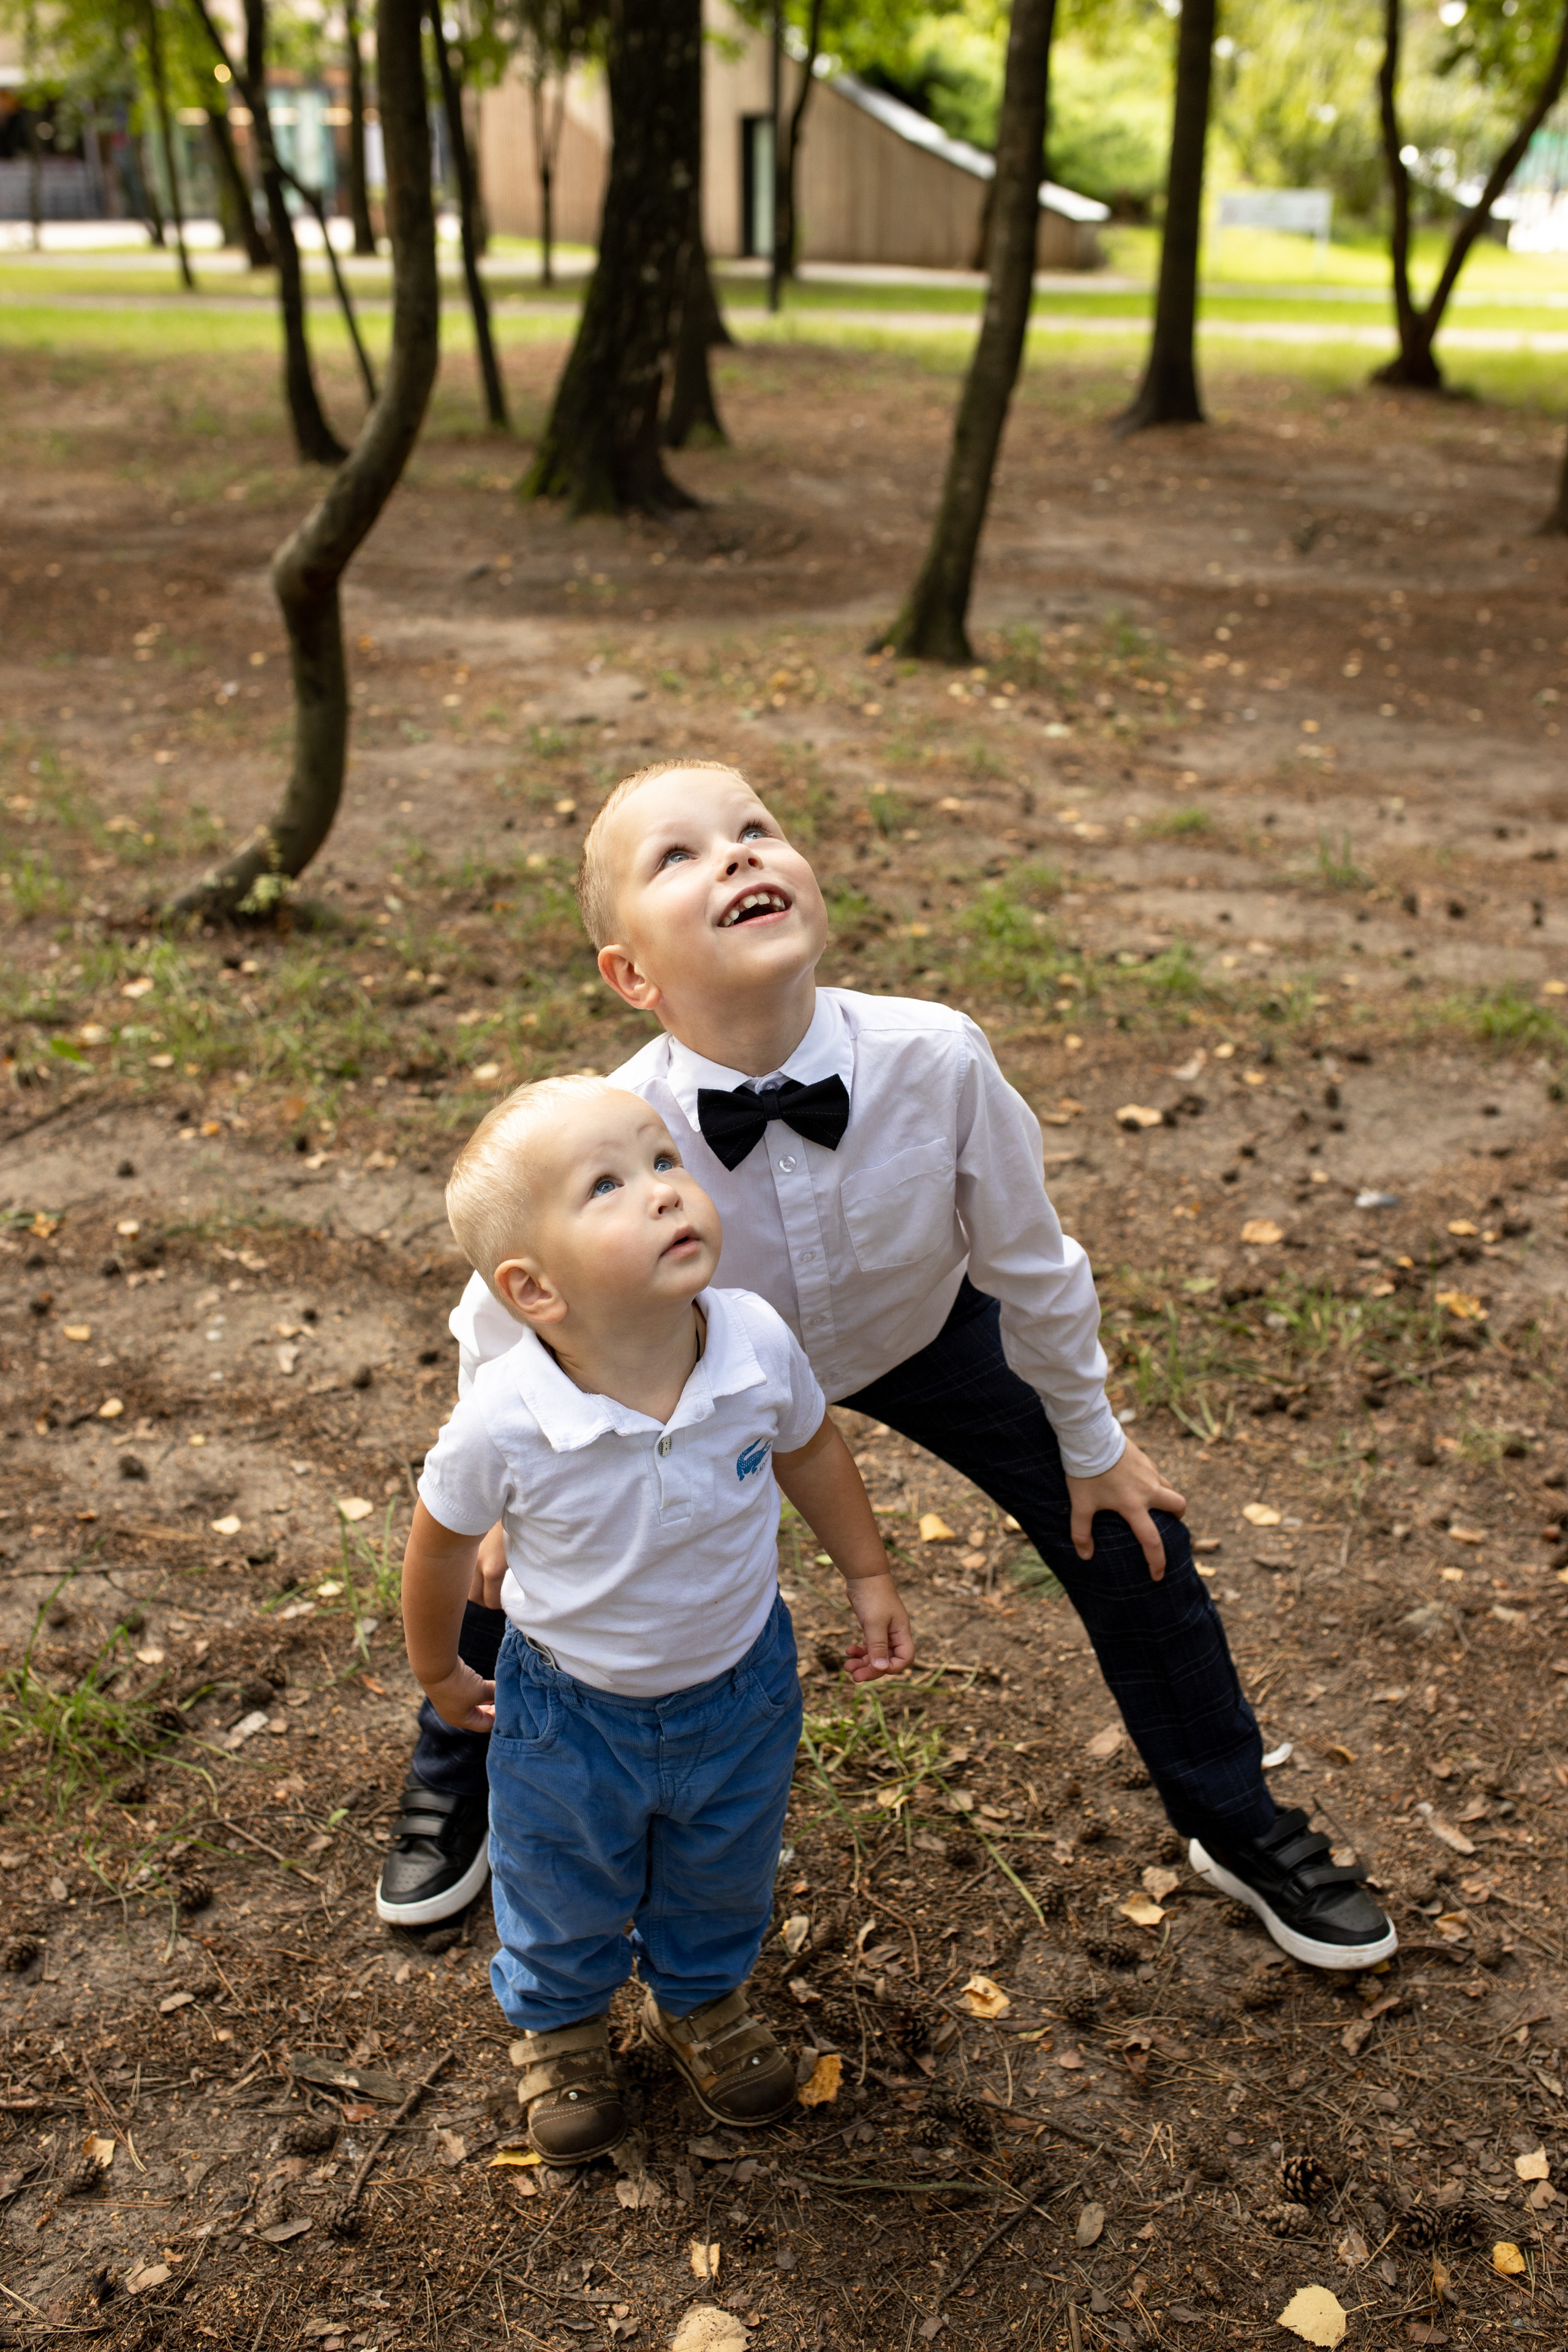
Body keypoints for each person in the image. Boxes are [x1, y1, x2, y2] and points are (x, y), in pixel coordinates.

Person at [380, 758, 1395, 1976]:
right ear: (629, 975)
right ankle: (461, 1771)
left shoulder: (937, 1057)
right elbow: (501, 1320)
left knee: (1130, 1534)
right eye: (679, 855)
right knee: (531, 1545)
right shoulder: (610, 1123)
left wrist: (1090, 1440)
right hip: (685, 1355)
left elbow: (1032, 1263)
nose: (738, 856)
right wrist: (495, 1499)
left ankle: (1233, 1817)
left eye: (755, 830)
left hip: (921, 1330)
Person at [402, 1074, 913, 2159]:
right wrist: (442, 1669)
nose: (664, 1192)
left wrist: (867, 1576)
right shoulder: (508, 1416)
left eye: (665, 1161)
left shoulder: (751, 1340)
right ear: (534, 1290)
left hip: (739, 1684)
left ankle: (703, 2000)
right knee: (558, 1871)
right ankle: (562, 2024)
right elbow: (441, 1537)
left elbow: (811, 1447)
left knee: (724, 1862)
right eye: (608, 1185)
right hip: (570, 1710)